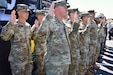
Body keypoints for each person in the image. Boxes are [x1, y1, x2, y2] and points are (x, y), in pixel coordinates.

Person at [32, 0, 71, 75]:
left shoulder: (64, 24)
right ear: (56, 8)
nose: (67, 9)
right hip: (54, 65)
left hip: (64, 63)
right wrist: (49, 16)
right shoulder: (51, 22)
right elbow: (40, 35)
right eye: (64, 7)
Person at [0, 4, 33, 75]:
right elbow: (5, 37)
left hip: (28, 60)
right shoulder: (13, 25)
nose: (27, 14)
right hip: (17, 61)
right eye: (24, 12)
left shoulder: (28, 26)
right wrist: (11, 23)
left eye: (27, 12)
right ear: (19, 12)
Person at [31, 10, 46, 75]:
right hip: (39, 52)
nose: (42, 17)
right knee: (40, 69)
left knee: (46, 69)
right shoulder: (34, 27)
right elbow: (33, 38)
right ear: (38, 16)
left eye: (43, 15)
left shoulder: (46, 26)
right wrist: (36, 28)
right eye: (40, 15)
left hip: (46, 51)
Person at [67, 8, 80, 75]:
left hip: (76, 52)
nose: (77, 15)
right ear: (70, 14)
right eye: (75, 13)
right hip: (70, 54)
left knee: (75, 70)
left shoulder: (76, 24)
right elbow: (71, 36)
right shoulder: (67, 25)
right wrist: (75, 24)